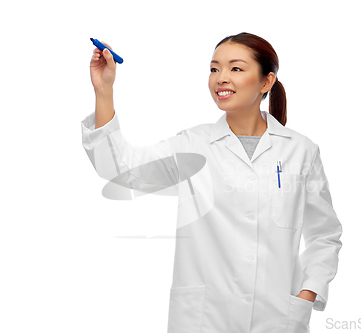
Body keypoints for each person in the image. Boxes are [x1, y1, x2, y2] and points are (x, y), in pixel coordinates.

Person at [81, 32, 343, 333]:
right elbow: (121, 169)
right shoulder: (193, 145)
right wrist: (104, 91)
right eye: (214, 69)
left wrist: (307, 294)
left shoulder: (301, 150)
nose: (221, 78)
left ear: (266, 82)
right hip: (204, 320)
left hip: (277, 320)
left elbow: (325, 234)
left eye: (236, 68)